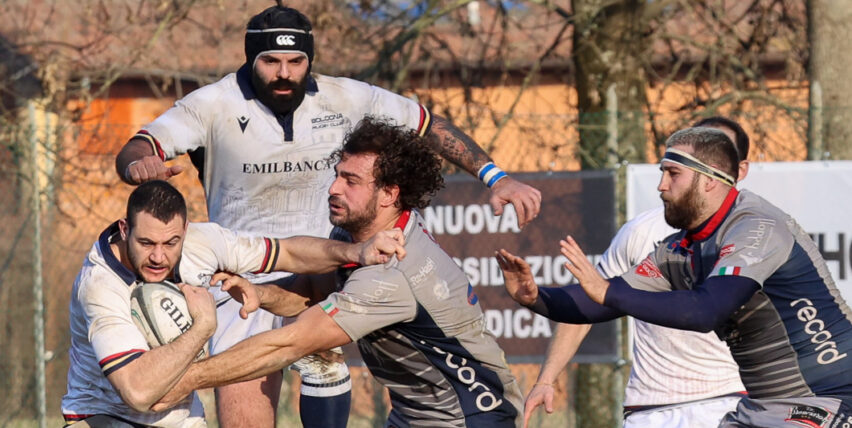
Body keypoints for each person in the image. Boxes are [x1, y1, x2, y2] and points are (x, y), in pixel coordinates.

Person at [112, 4, 542, 427]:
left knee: (318, 356)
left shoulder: (349, 103)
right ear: (251, 59)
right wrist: (139, 164)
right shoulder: (211, 104)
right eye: (271, 61)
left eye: (296, 61)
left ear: (309, 61)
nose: (284, 72)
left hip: (334, 259)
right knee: (246, 392)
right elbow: (140, 145)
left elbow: (426, 124)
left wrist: (496, 177)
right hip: (249, 269)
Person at [151, 117, 525, 427]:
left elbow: (287, 345)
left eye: (351, 181)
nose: (333, 188)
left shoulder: (390, 275)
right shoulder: (362, 234)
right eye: (337, 174)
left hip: (474, 419)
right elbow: (312, 291)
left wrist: (182, 379)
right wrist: (259, 293)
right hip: (416, 417)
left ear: (389, 194)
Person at [498, 127, 852, 427]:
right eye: (661, 173)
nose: (661, 186)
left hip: (828, 397)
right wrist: (534, 297)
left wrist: (607, 293)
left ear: (711, 179)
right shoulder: (680, 249)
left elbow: (706, 310)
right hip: (763, 406)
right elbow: (595, 304)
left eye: (673, 174)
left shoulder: (756, 227)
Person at [61, 180, 405, 427]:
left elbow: (288, 252)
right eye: (146, 242)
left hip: (180, 419)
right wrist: (203, 328)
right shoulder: (100, 286)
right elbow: (137, 391)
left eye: (171, 243)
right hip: (102, 417)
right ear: (124, 229)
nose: (157, 256)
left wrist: (355, 252)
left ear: (185, 230)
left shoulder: (204, 241)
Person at [526, 117, 750, 428]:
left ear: (738, 171)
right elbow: (593, 300)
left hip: (728, 402)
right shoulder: (642, 231)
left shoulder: (755, 234)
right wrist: (546, 378)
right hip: (650, 408)